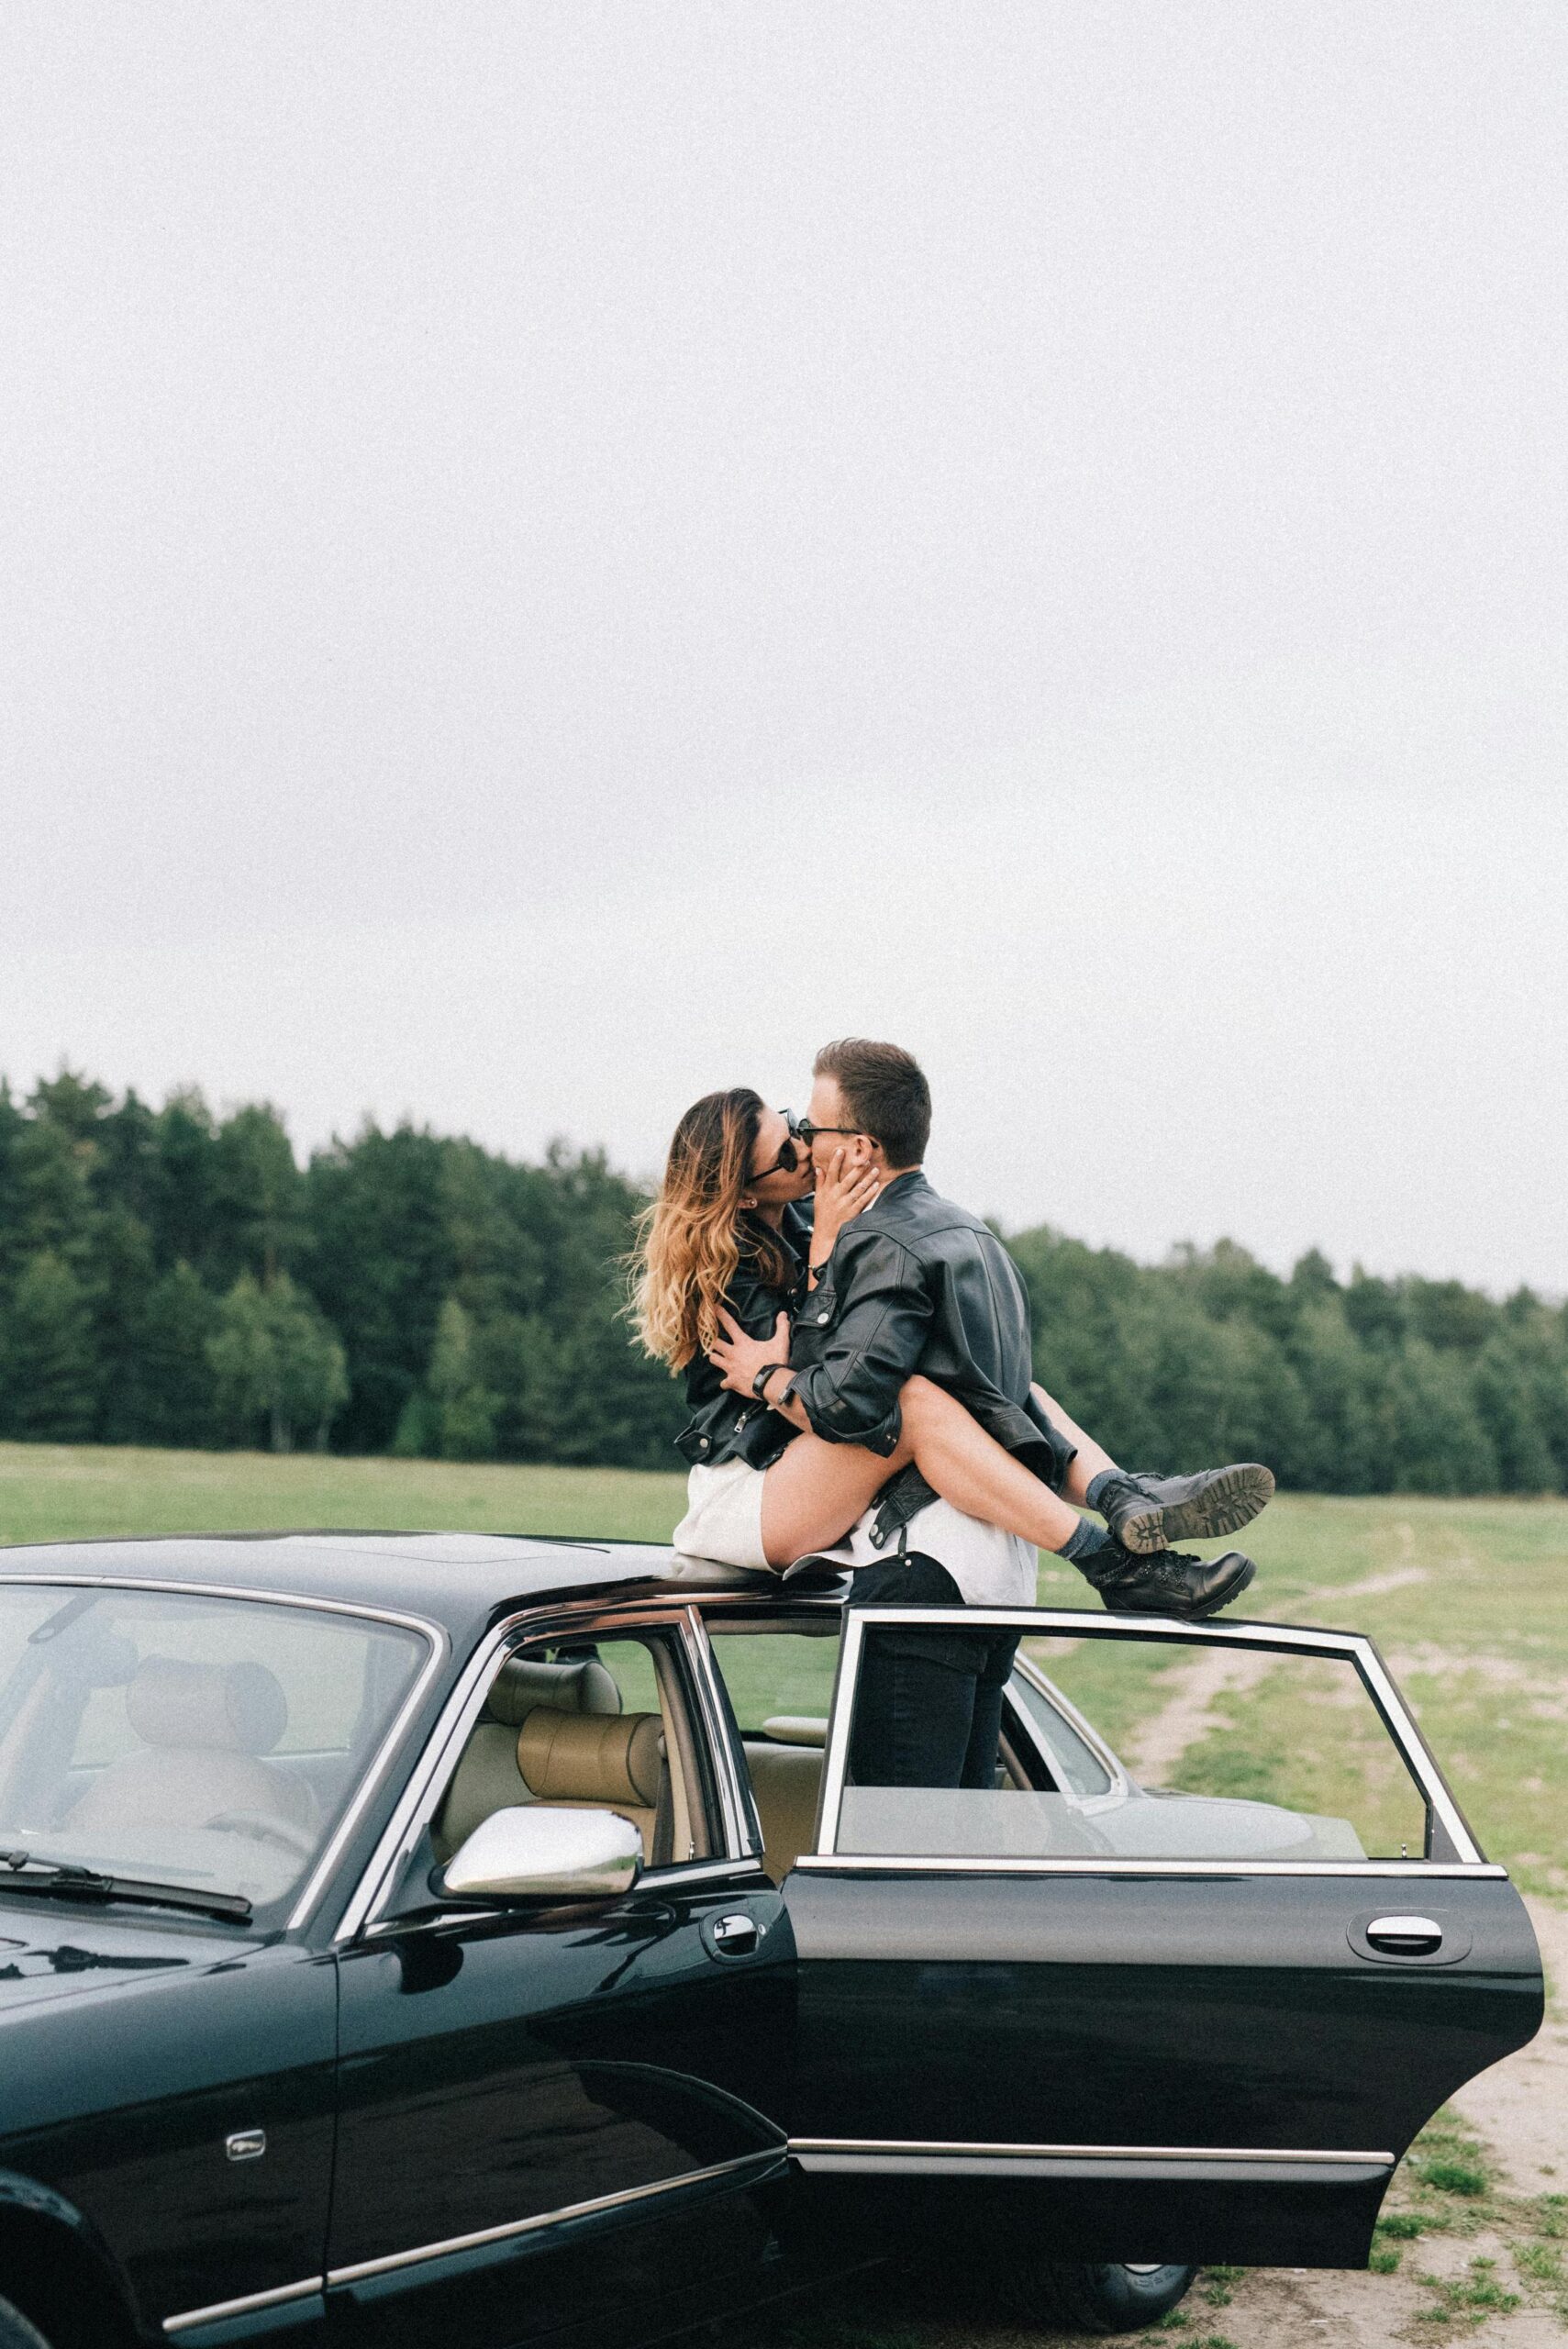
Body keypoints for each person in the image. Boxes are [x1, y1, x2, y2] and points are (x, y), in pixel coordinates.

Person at [630, 1071, 1271, 1785]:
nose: (808, 1154)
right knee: (915, 1406)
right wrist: (820, 1269)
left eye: (796, 1129)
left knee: (995, 1385)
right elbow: (834, 1396)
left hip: (812, 1462)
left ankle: (1124, 1498)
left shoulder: (814, 1221)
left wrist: (838, 1248)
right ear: (744, 1192)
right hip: (751, 1495)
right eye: (787, 1156)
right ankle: (1109, 1560)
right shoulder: (725, 1274)